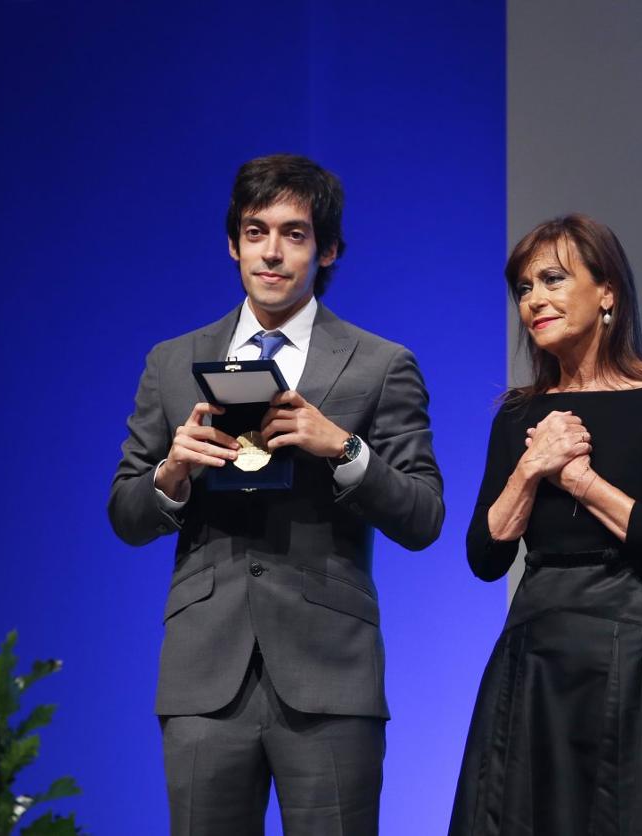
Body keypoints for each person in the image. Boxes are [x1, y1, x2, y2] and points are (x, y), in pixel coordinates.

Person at [108, 153, 444, 835]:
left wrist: (342, 448)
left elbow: (423, 515)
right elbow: (126, 513)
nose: (272, 252)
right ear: (232, 243)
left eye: (294, 234)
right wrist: (172, 473)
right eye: (256, 232)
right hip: (204, 674)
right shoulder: (172, 362)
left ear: (328, 250)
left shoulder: (379, 364)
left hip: (330, 674)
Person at [449, 214, 642, 835]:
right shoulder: (520, 415)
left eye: (553, 279)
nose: (535, 301)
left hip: (635, 648)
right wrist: (532, 468)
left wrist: (581, 480)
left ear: (607, 292)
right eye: (523, 288)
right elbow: (485, 557)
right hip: (536, 655)